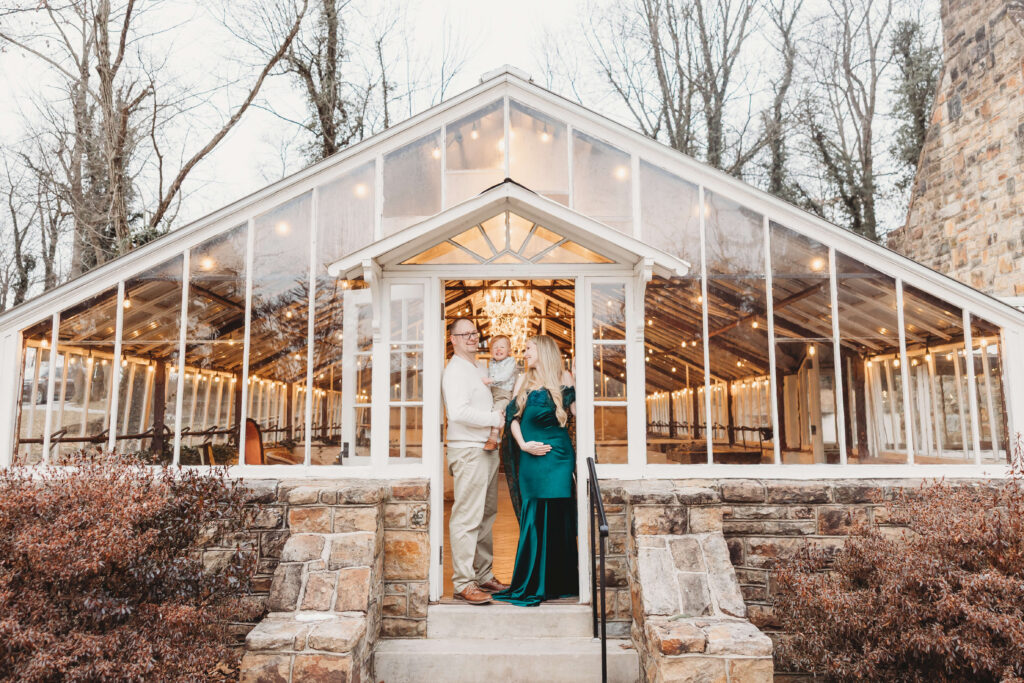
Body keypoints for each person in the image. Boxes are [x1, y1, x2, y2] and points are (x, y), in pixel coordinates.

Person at [494, 335, 578, 607]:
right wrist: (523, 445)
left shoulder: (563, 376)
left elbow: (578, 413)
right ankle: (532, 583)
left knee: (558, 517)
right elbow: (512, 418)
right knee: (533, 516)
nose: (524, 352)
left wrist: (577, 380)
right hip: (530, 456)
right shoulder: (523, 380)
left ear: (543, 350)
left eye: (529, 348)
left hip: (559, 457)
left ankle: (560, 582)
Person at [441, 317, 511, 605]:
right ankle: (463, 582)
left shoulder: (479, 367)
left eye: (474, 332)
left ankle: (483, 575)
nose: (472, 337)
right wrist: (494, 419)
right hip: (468, 451)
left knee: (486, 515)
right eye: (464, 333)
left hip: (486, 450)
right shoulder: (455, 371)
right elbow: (457, 412)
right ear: (454, 340)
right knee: (467, 518)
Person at [482, 335, 517, 451]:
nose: (498, 349)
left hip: (504, 394)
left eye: (502, 347)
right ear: (491, 351)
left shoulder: (510, 362)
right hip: (492, 393)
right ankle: (489, 436)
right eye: (495, 347)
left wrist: (490, 380)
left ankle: (493, 438)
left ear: (509, 351)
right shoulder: (491, 362)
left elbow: (505, 375)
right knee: (489, 412)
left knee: (497, 411)